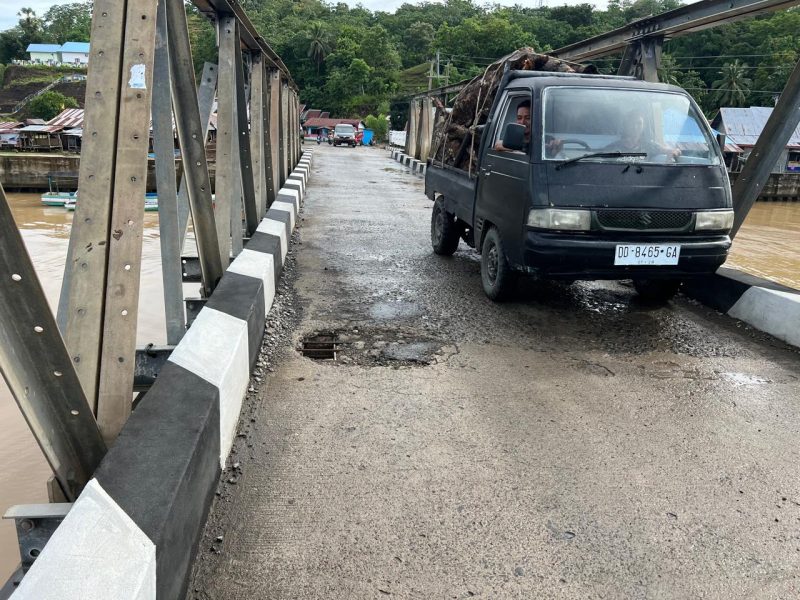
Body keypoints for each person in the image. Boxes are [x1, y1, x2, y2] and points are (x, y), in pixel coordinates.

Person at [495, 100, 563, 157]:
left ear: (536, 119)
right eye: (519, 118)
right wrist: (525, 147)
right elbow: (498, 144)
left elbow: (554, 154)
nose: (522, 122)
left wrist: (556, 148)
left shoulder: (546, 139)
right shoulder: (514, 138)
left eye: (528, 118)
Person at [604, 111, 681, 161]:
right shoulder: (614, 147)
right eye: (632, 123)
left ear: (644, 126)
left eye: (639, 123)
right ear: (626, 125)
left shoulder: (649, 146)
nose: (635, 127)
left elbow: (667, 150)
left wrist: (673, 151)